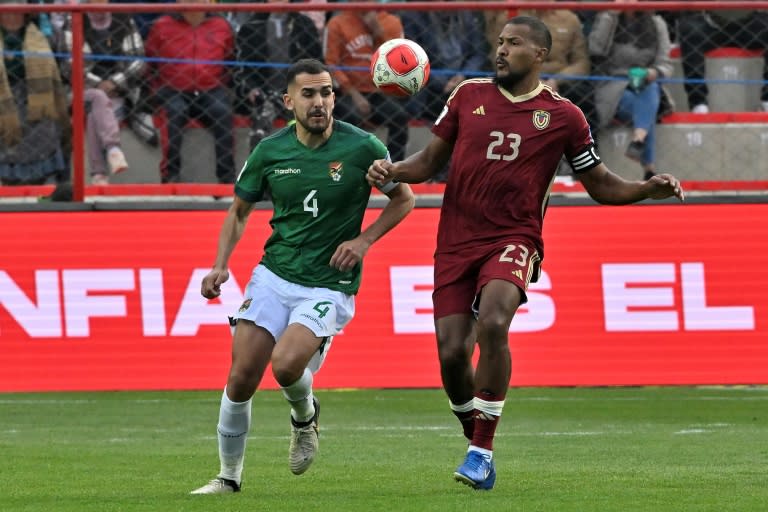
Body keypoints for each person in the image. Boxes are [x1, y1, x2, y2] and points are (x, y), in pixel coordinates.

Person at [367, 16, 684, 491]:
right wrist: (391, 170)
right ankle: (476, 438)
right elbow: (429, 162)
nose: (501, 50)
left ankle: (480, 451)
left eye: (513, 43)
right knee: (452, 353)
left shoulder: (564, 116)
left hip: (514, 239)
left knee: (493, 321)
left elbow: (598, 183)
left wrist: (644, 189)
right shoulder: (467, 96)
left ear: (539, 54)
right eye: (499, 42)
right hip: (455, 240)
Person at [190, 58, 414, 494]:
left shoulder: (363, 147)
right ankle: (228, 478)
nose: (319, 102)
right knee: (240, 377)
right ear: (288, 100)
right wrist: (221, 264)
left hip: (329, 281)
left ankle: (305, 417)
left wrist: (364, 241)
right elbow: (239, 211)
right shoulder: (269, 151)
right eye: (309, 94)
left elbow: (404, 199)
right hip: (275, 274)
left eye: (327, 92)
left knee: (287, 364)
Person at [144, 0, 236, 183]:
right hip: (172, 89)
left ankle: (227, 177)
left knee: (223, 112)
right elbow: (150, 61)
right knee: (174, 112)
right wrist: (157, 89)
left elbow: (229, 61)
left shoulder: (221, 25)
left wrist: (218, 84)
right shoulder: (161, 25)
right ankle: (170, 175)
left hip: (210, 89)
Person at [57, 0, 147, 184]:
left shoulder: (123, 18)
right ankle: (113, 148)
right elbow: (68, 65)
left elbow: (138, 60)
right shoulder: (73, 18)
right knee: (98, 97)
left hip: (120, 90)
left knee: (95, 112)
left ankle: (98, 174)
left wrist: (114, 83)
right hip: (82, 89)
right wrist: (99, 85)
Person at [588, 3, 673, 180]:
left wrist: (653, 72)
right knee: (644, 106)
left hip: (645, 83)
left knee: (650, 89)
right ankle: (648, 166)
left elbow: (665, 63)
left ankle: (638, 139)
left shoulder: (657, 23)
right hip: (613, 85)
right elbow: (595, 49)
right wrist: (612, 14)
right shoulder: (607, 18)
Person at [323, 0, 411, 162]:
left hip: (378, 91)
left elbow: (399, 62)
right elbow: (331, 64)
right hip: (346, 91)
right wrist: (354, 94)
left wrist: (378, 32)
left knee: (399, 117)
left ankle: (393, 169)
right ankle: (350, 167)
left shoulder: (392, 22)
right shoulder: (338, 22)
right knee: (351, 118)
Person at [234, 0, 322, 148]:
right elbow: (242, 68)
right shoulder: (251, 26)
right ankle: (260, 167)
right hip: (264, 93)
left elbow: (317, 63)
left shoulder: (304, 25)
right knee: (260, 130)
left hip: (299, 92)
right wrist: (251, 89)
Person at [0, 6, 69, 186]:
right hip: (4, 103)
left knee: (45, 126)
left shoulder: (45, 34)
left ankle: (42, 196)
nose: (11, 17)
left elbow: (65, 68)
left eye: (16, 11)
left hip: (38, 101)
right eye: (6, 11)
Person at [677, 9, 768, 113]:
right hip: (712, 24)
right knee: (689, 28)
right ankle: (698, 104)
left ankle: (767, 101)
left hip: (749, 24)